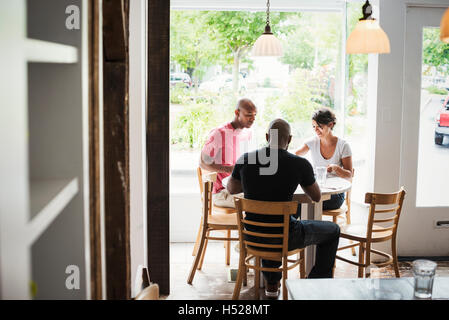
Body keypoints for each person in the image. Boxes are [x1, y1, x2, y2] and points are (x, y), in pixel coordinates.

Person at [227, 119, 340, 298]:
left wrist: (254, 184)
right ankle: (315, 285)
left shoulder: (246, 159)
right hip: (286, 236)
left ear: (266, 137)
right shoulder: (299, 164)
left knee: (270, 224)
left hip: (252, 235)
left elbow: (232, 189)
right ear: (289, 139)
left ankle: (272, 284)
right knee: (333, 230)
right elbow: (316, 197)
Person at [200, 98, 257, 208]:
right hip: (221, 192)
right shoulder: (219, 133)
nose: (253, 119)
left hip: (238, 188)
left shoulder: (247, 133)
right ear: (237, 113)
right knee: (258, 202)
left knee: (267, 196)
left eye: (255, 115)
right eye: (249, 114)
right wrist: (229, 169)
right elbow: (202, 162)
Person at [295, 107, 353, 212]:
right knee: (298, 202)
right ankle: (296, 227)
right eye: (314, 127)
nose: (316, 130)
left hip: (335, 195)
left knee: (301, 204)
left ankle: (299, 227)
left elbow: (349, 175)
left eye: (319, 126)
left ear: (330, 125)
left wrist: (336, 168)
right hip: (317, 190)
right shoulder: (312, 142)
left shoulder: (343, 145)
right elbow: (294, 156)